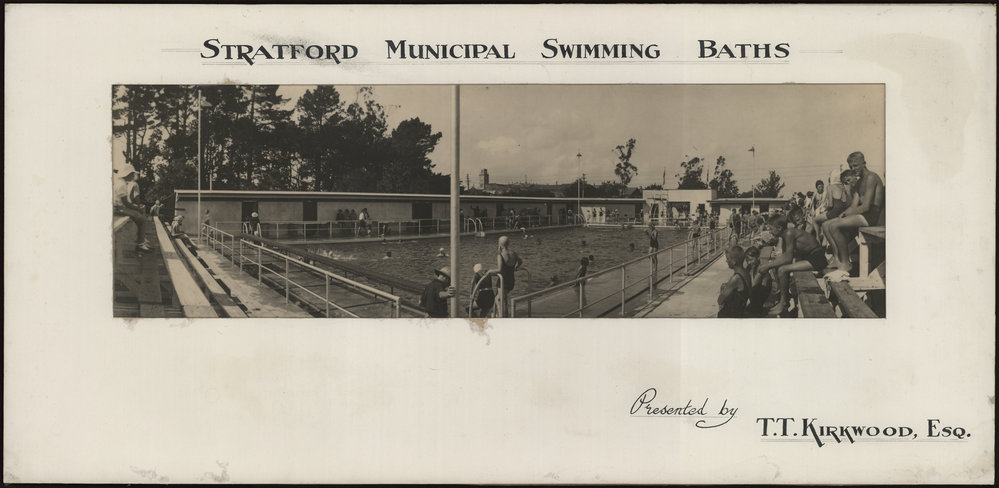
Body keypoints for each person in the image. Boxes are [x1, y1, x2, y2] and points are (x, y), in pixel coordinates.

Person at [822, 151, 884, 274]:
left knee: (835, 226)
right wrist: (844, 214)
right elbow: (854, 205)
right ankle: (837, 258)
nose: (853, 169)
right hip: (862, 215)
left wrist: (850, 214)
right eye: (850, 166)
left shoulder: (872, 177)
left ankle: (846, 264)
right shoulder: (859, 182)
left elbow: (866, 207)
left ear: (864, 163)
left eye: (855, 165)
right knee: (826, 225)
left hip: (872, 216)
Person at [758, 213, 829, 314]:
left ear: (779, 228)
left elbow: (787, 259)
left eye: (770, 229)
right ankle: (782, 298)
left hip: (817, 259)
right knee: (778, 267)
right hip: (809, 258)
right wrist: (770, 264)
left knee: (783, 270)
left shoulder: (788, 234)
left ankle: (783, 303)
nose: (769, 232)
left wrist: (768, 265)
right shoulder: (785, 234)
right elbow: (784, 256)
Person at [113, 164, 151, 252]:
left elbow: (126, 201)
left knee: (139, 216)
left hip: (120, 207)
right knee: (142, 219)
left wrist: (135, 208)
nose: (133, 176)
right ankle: (141, 244)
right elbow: (125, 203)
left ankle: (141, 240)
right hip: (119, 208)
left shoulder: (121, 182)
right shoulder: (122, 185)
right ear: (127, 174)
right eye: (132, 174)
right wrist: (137, 209)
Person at [489, 235, 523, 316]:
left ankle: (501, 317)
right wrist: (515, 267)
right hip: (511, 280)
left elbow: (500, 269)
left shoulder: (500, 255)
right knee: (504, 300)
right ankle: (505, 315)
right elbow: (520, 261)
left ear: (500, 244)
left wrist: (490, 271)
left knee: (498, 299)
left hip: (503, 281)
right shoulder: (513, 253)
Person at [717, 245, 751, 318]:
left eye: (728, 259)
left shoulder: (736, 278)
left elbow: (720, 301)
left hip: (731, 315)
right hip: (740, 311)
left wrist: (723, 289)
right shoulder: (746, 272)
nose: (726, 261)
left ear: (734, 262)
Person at [743, 246, 773, 317]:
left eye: (751, 260)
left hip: (764, 294)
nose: (748, 262)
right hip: (758, 292)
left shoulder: (762, 268)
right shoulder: (751, 266)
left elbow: (754, 283)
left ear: (758, 257)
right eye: (747, 260)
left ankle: (756, 310)